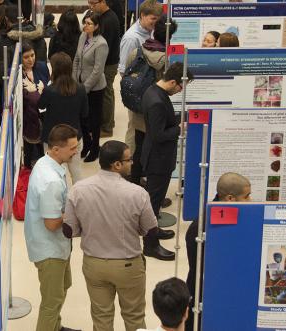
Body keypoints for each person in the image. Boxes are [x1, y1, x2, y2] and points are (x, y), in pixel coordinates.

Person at [63, 141, 174, 331]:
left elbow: (69, 231)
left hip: (94, 264)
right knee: (134, 317)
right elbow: (151, 230)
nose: (132, 162)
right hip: (128, 265)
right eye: (129, 159)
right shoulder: (137, 193)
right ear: (117, 165)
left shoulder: (78, 190)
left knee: (101, 317)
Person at [24, 124, 80, 331]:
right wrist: (76, 212)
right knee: (52, 301)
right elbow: (52, 223)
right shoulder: (51, 181)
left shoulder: (45, 162)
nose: (76, 152)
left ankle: (56, 326)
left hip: (54, 246)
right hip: (50, 250)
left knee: (61, 288)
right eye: (72, 148)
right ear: (56, 149)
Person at [185, 172, 251, 331]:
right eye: (247, 196)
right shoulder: (200, 228)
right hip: (207, 294)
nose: (250, 200)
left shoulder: (234, 216)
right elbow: (199, 270)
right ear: (230, 198)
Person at [141, 62, 193, 261]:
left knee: (156, 201)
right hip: (158, 160)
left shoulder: (153, 91)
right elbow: (158, 134)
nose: (180, 91)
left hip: (159, 157)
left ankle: (154, 231)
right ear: (172, 82)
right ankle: (150, 245)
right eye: (181, 87)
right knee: (152, 205)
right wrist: (181, 128)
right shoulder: (156, 101)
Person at [125, 14, 174, 187]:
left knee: (138, 147)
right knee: (154, 152)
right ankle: (150, 188)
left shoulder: (137, 51)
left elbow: (126, 74)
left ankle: (135, 181)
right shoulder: (166, 60)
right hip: (156, 111)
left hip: (138, 106)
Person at [119, 1, 171, 159]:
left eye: (158, 19)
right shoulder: (131, 38)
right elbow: (123, 70)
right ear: (141, 16)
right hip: (137, 93)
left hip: (151, 92)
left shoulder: (151, 32)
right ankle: (129, 163)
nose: (156, 22)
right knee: (134, 129)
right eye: (153, 18)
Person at [39, 52, 89, 184]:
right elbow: (85, 113)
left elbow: (40, 105)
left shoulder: (50, 90)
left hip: (53, 139)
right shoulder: (81, 88)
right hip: (74, 137)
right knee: (76, 172)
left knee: (55, 175)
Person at [73, 12, 108, 162]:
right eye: (84, 22)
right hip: (80, 85)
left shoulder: (101, 44)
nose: (85, 26)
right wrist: (75, 80)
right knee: (82, 118)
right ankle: (87, 144)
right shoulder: (82, 37)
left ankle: (95, 149)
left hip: (95, 88)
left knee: (94, 120)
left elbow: (97, 70)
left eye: (89, 24)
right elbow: (76, 59)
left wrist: (85, 88)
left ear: (97, 26)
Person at [88, 0, 122, 138]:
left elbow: (103, 47)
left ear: (103, 2)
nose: (91, 6)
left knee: (106, 93)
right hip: (106, 62)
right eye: (89, 3)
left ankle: (107, 128)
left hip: (108, 64)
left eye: (93, 3)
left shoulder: (109, 20)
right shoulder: (103, 16)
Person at [21, 42, 50, 167]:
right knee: (30, 148)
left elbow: (49, 86)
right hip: (27, 117)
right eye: (26, 57)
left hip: (44, 114)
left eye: (32, 55)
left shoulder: (42, 67)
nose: (30, 59)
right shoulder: (15, 73)